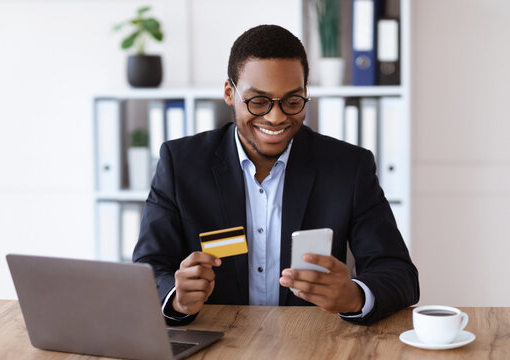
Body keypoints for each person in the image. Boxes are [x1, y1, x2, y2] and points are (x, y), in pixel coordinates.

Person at [133, 24, 419, 326]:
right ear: (230, 93)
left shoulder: (350, 167)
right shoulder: (181, 164)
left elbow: (399, 273)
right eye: (258, 102)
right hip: (217, 340)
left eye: (292, 101)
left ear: (306, 94)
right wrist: (176, 298)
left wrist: (355, 296)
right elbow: (148, 267)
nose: (276, 116)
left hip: (309, 342)